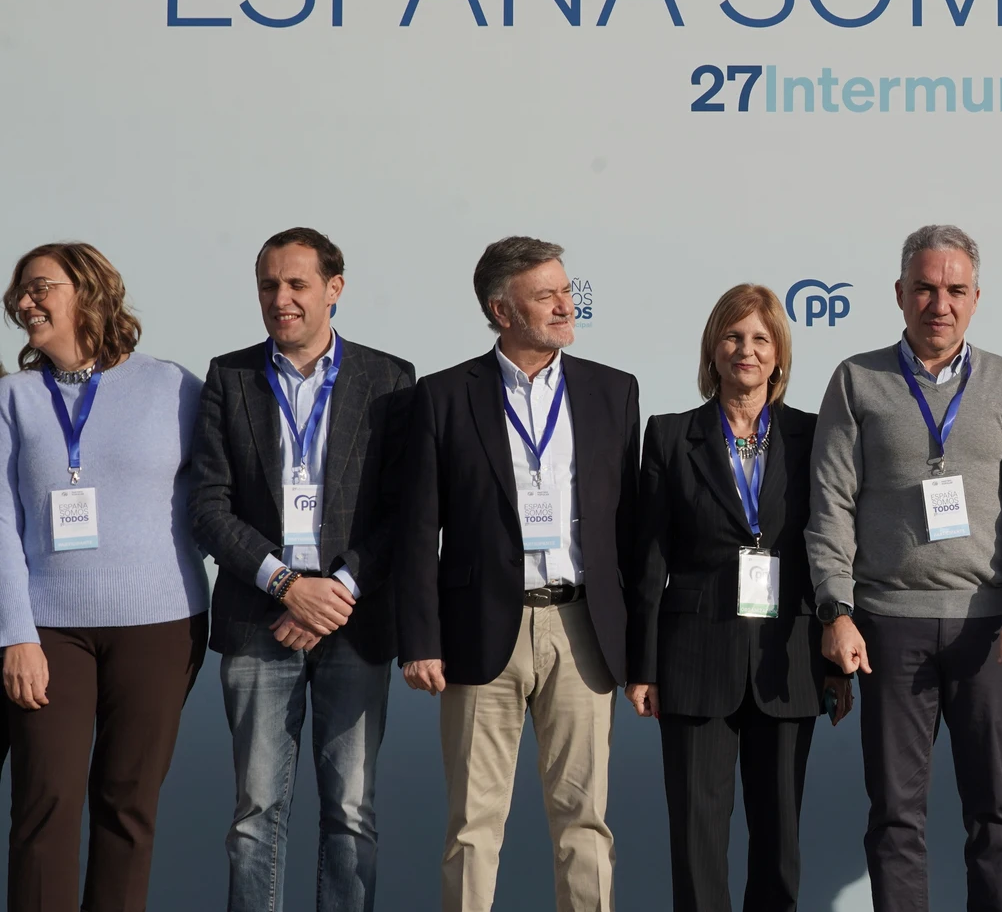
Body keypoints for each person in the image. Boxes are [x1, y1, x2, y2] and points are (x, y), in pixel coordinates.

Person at [806, 224, 1002, 912]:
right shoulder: (857, 381)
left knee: (997, 816)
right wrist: (837, 608)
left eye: (954, 290)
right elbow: (829, 506)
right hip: (888, 629)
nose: (937, 303)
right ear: (899, 294)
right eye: (924, 288)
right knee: (895, 818)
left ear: (976, 297)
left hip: (989, 631)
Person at [395, 236, 639, 912]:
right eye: (546, 295)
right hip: (478, 632)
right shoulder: (444, 396)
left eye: (567, 290)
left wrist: (638, 646)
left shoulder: (612, 391)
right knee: (473, 826)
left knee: (584, 822)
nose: (566, 305)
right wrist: (420, 637)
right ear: (501, 310)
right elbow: (418, 529)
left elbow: (630, 529)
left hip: (582, 628)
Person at [189, 227, 417, 912]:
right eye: (268, 285)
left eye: (296, 284)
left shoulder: (389, 379)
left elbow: (403, 509)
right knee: (255, 814)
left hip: (355, 620)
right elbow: (207, 506)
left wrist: (337, 591)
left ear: (334, 289)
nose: (280, 299)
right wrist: (287, 584)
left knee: (351, 811)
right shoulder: (228, 376)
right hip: (260, 618)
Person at [628, 284, 852, 912]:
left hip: (788, 662)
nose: (745, 350)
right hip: (694, 662)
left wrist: (834, 663)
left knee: (779, 842)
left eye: (759, 338)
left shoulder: (814, 435)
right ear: (713, 349)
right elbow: (650, 562)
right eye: (732, 337)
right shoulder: (670, 436)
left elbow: (828, 547)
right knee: (697, 844)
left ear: (779, 353)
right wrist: (642, 666)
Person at [0, 242, 210, 911]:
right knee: (44, 801)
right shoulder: (13, 397)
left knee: (128, 806)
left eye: (38, 287)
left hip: (162, 626)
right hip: (48, 629)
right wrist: (15, 635)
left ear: (89, 291)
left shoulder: (174, 386)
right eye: (18, 293)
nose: (23, 301)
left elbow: (217, 497)